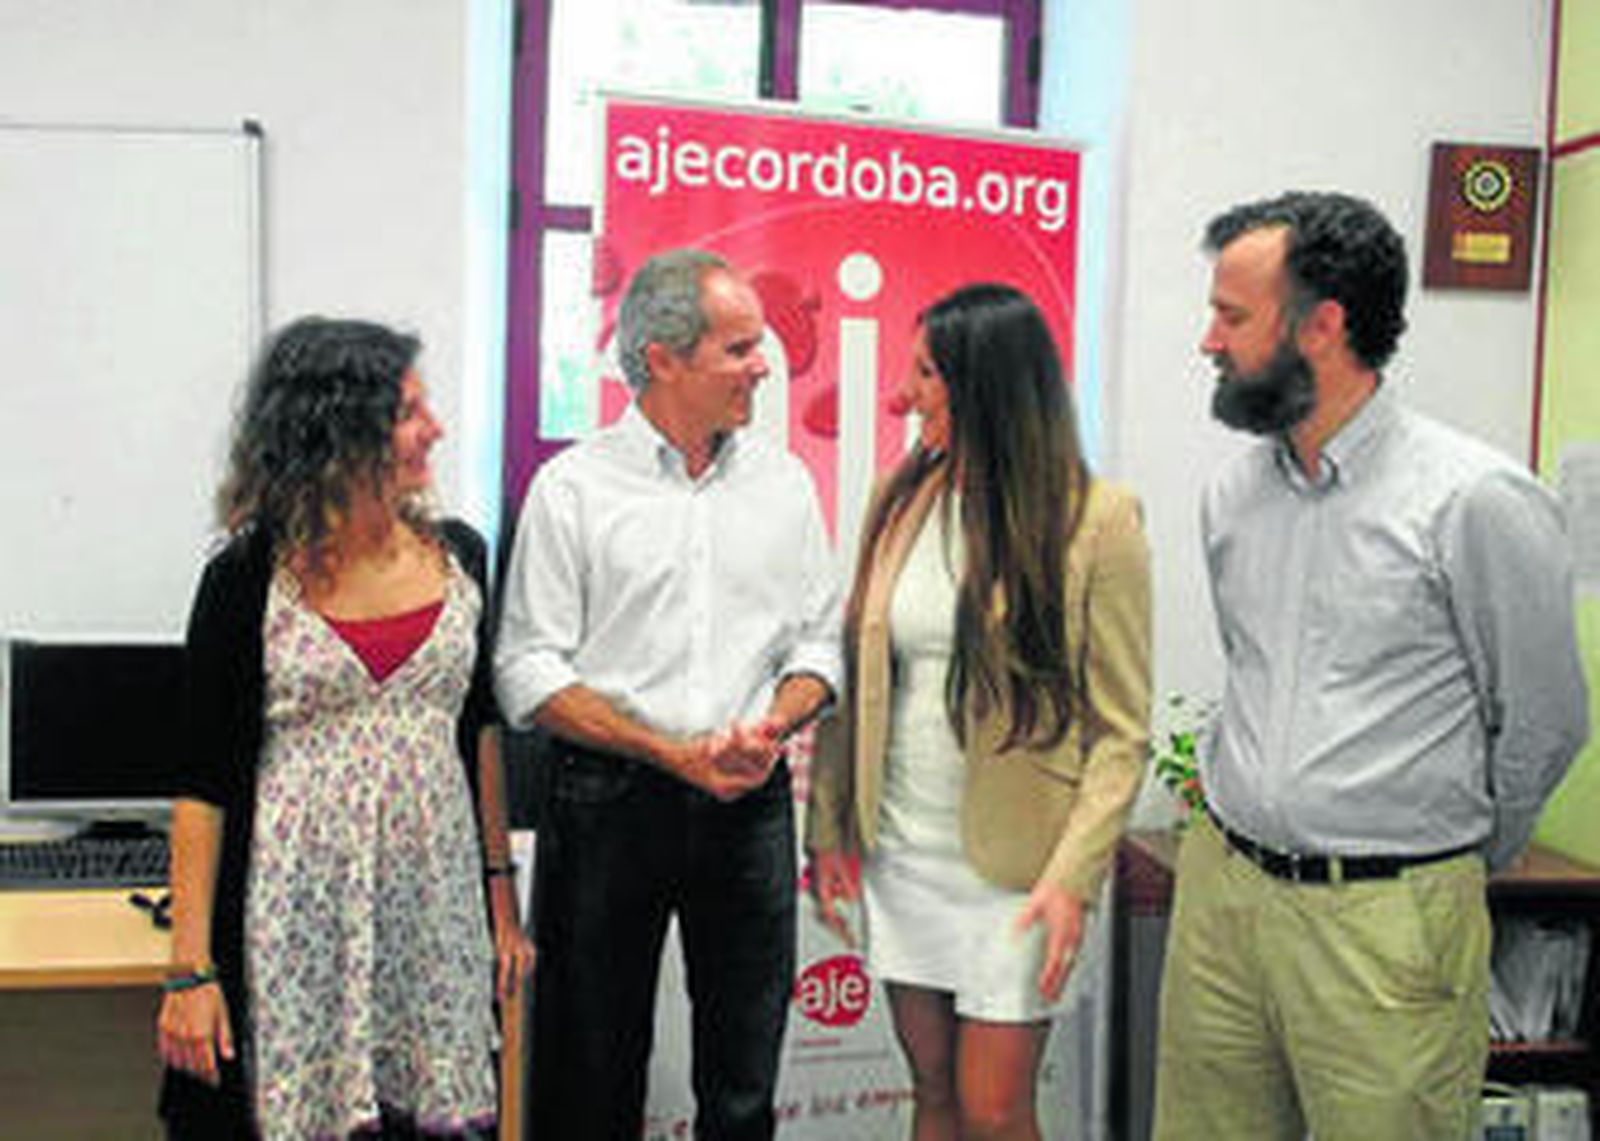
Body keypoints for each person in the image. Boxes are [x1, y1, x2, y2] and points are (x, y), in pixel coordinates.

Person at [1153, 191, 1591, 1140]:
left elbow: (1547, 721)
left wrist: (1438, 860)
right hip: (1225, 895)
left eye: (1231, 316)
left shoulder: (1475, 500)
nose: (1208, 341)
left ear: (1323, 324)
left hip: (1385, 924)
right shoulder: (1233, 493)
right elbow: (1250, 673)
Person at [155, 317, 535, 1140]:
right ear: (335, 427)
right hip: (290, 921)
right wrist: (189, 971)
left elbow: (480, 734)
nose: (433, 427)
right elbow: (202, 781)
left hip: (434, 918)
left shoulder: (461, 555)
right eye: (408, 411)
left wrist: (501, 898)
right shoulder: (247, 575)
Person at [494, 248, 842, 1140]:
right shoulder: (572, 488)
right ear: (663, 358)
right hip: (607, 801)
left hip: (749, 801)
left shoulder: (785, 483)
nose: (764, 365)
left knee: (743, 1080)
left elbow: (820, 639)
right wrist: (665, 750)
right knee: (591, 1071)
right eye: (738, 349)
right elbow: (528, 667)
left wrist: (774, 721)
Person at [807, 282, 1153, 1141]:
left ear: (986, 386)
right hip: (903, 849)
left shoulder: (1096, 519)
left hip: (1021, 875)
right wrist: (832, 829)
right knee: (932, 1094)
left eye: (927, 372)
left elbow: (1121, 732)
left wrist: (1075, 879)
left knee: (997, 1111)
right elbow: (860, 673)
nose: (906, 391)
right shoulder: (897, 496)